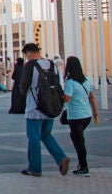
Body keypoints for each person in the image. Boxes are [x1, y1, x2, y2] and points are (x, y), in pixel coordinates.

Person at [18, 43, 70, 177]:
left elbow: (23, 87)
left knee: (34, 138)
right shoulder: (51, 64)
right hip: (49, 107)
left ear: (29, 53)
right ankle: (61, 157)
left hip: (34, 108)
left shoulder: (30, 65)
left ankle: (34, 168)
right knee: (46, 135)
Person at [63, 56, 98, 176]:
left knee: (79, 141)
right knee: (76, 137)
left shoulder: (70, 82)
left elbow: (67, 99)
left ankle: (84, 167)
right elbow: (91, 97)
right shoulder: (86, 80)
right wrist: (94, 111)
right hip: (86, 115)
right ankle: (81, 164)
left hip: (75, 116)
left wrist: (58, 96)